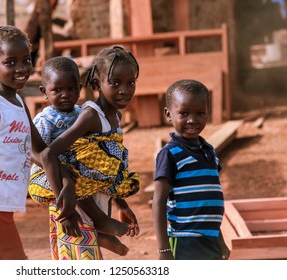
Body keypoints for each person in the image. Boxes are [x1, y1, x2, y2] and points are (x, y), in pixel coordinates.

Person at [0, 25, 80, 260]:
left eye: (26, 60)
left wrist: (65, 178)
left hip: (3, 205)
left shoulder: (19, 102)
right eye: (10, 62)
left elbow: (39, 151)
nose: (21, 69)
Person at [32, 46, 141, 260]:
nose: (124, 90)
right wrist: (66, 202)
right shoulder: (89, 116)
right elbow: (46, 154)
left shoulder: (110, 116)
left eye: (131, 82)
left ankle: (99, 231)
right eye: (115, 83)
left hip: (92, 191)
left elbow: (112, 163)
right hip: (63, 191)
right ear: (96, 84)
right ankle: (99, 225)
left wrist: (121, 202)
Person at [152, 79, 231, 260]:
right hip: (185, 240)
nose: (192, 120)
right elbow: (158, 202)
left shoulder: (209, 151)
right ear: (168, 114)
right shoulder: (170, 154)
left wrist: (220, 238)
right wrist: (164, 249)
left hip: (209, 240)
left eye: (200, 113)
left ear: (207, 114)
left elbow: (208, 201)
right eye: (184, 113)